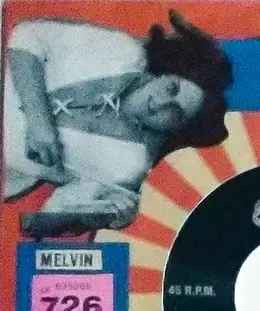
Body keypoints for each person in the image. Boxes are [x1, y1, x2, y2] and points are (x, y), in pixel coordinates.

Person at [4, 10, 232, 235]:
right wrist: (38, 120)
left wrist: (87, 217)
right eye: (171, 88)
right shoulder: (121, 50)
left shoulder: (129, 164)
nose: (161, 103)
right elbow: (26, 35)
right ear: (165, 73)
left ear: (176, 130)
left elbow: (35, 224)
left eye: (175, 113)